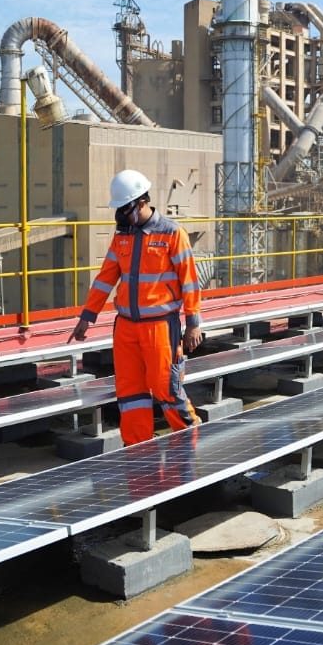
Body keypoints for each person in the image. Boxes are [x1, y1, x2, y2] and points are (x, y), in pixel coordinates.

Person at [69, 169, 203, 445]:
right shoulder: (122, 236)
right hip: (126, 328)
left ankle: (190, 442)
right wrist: (87, 316)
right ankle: (137, 451)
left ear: (142, 202)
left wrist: (193, 323)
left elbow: (190, 281)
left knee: (166, 387)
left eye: (124, 208)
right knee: (130, 394)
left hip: (160, 327)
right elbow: (105, 278)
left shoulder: (172, 233)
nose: (120, 215)